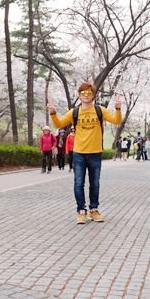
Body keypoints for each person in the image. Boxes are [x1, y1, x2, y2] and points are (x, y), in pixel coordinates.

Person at [48, 82, 123, 224]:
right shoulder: (74, 112)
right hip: (79, 153)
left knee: (94, 183)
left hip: (95, 153)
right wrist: (53, 112)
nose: (86, 95)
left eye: (89, 93)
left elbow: (116, 121)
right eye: (83, 93)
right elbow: (59, 124)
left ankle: (94, 210)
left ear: (93, 95)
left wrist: (118, 109)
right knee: (78, 183)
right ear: (79, 95)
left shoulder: (100, 110)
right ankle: (81, 211)